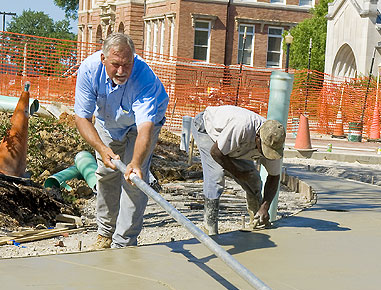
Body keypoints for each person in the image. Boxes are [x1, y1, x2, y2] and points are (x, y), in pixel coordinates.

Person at [74, 33, 169, 248]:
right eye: (115, 64)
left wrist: (135, 163)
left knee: (135, 181)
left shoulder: (144, 77)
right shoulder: (89, 71)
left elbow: (145, 128)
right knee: (107, 174)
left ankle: (124, 242)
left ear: (133, 60)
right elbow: (82, 118)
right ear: (103, 59)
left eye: (127, 64)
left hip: (142, 125)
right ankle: (105, 233)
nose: (121, 71)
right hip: (109, 123)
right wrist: (101, 148)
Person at [190, 105, 285, 235]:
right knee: (216, 176)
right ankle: (209, 228)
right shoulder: (242, 126)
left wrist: (265, 207)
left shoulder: (275, 143)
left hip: (232, 143)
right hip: (207, 129)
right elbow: (216, 152)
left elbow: (274, 177)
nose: (266, 154)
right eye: (264, 150)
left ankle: (258, 219)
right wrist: (238, 173)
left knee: (253, 179)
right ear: (258, 138)